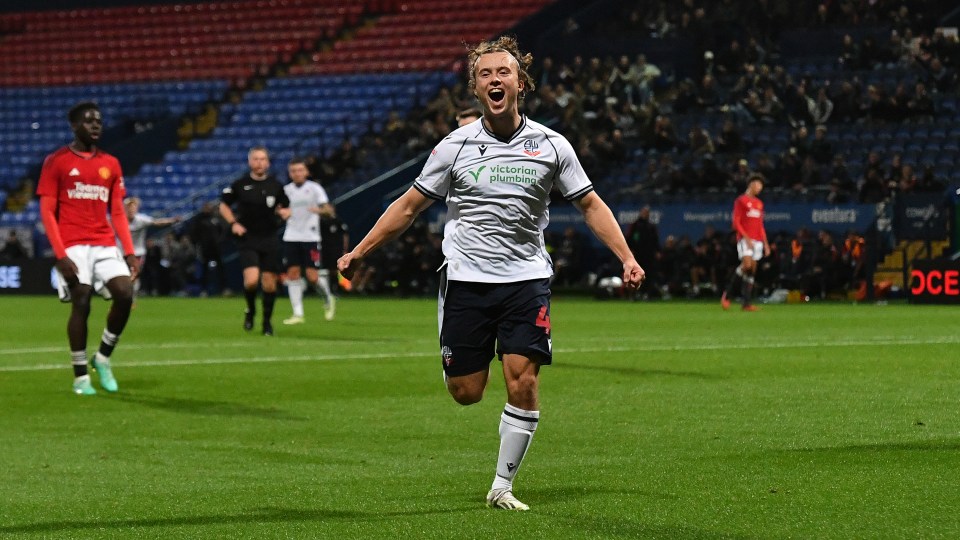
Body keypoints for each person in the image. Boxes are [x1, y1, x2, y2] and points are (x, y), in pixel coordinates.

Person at [337, 36, 644, 512]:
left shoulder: (551, 145)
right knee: (467, 392)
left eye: (503, 72)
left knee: (523, 379)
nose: (495, 80)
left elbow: (589, 203)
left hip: (526, 280)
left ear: (521, 82)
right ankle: (452, 350)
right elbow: (409, 206)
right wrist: (360, 251)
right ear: (476, 89)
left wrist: (625, 255)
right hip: (466, 278)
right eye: (485, 74)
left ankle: (502, 485)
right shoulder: (454, 147)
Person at [36, 101, 138, 395]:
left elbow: (117, 211)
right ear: (74, 125)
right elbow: (47, 212)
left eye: (99, 122)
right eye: (89, 121)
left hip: (104, 242)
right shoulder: (57, 161)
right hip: (73, 244)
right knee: (82, 300)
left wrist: (129, 252)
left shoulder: (111, 163)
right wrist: (60, 255)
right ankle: (80, 375)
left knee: (125, 292)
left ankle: (102, 357)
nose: (96, 126)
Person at [219, 146, 291, 336]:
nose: (259, 163)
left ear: (268, 162)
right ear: (250, 162)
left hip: (269, 237)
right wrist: (233, 222)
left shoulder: (276, 185)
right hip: (248, 238)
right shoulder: (240, 184)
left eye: (263, 159)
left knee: (269, 283)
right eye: (256, 159)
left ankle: (267, 322)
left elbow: (286, 207)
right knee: (251, 281)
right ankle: (250, 310)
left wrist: (285, 213)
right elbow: (224, 206)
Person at [281, 157, 336, 324]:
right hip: (291, 236)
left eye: (300, 170)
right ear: (290, 173)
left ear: (306, 172)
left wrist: (319, 210)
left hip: (310, 236)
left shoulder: (314, 188)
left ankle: (328, 298)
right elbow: (279, 209)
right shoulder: (286, 190)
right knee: (293, 274)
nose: (297, 174)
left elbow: (329, 211)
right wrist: (282, 213)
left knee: (312, 276)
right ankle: (298, 313)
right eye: (293, 171)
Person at [721, 173, 769, 311]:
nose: (760, 188)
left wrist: (765, 243)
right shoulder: (741, 201)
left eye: (761, 186)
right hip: (745, 239)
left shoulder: (759, 204)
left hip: (758, 240)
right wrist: (746, 238)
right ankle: (727, 295)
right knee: (746, 265)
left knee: (752, 270)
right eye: (758, 184)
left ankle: (746, 303)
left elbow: (760, 225)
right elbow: (736, 222)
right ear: (751, 184)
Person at [123, 196, 180, 298]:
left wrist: (172, 220)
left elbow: (157, 222)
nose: (131, 210)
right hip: (122, 252)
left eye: (133, 207)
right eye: (128, 207)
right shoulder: (119, 220)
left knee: (134, 275)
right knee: (122, 276)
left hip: (137, 253)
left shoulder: (141, 219)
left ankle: (132, 297)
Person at [320, 204, 349, 293]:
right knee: (326, 270)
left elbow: (345, 235)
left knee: (335, 269)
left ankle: (336, 288)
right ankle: (327, 289)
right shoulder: (322, 221)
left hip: (336, 249)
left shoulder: (338, 221)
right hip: (325, 249)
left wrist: (345, 249)